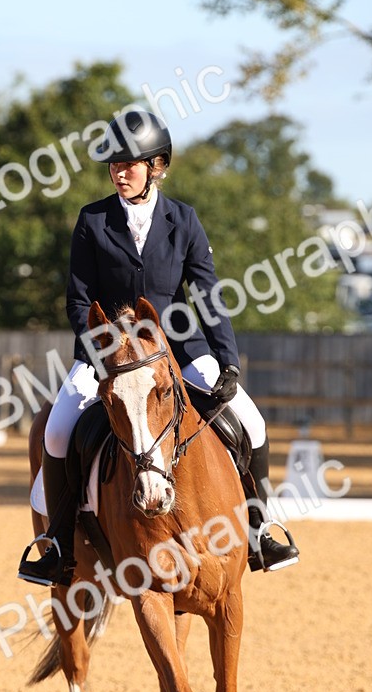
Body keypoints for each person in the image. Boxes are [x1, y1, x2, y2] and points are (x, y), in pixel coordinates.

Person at [18, 108, 299, 588]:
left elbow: (208, 295)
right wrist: (103, 349)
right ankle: (58, 544)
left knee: (252, 421)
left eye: (130, 164)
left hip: (180, 351)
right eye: (114, 164)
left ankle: (259, 530)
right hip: (105, 354)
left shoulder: (184, 220)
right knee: (57, 432)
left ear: (157, 166)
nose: (119, 172)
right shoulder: (93, 220)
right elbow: (78, 298)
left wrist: (227, 360)